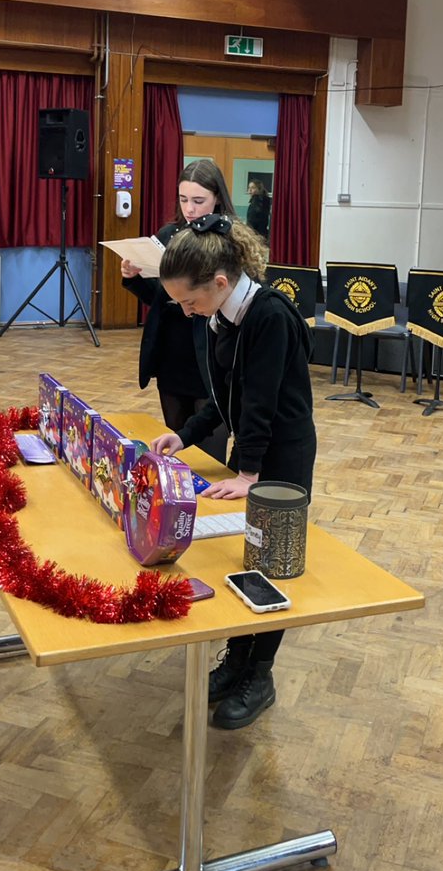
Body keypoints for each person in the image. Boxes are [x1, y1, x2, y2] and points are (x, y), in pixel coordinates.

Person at [150, 214, 316, 730]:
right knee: (246, 552)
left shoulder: (268, 316)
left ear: (220, 282)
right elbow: (227, 398)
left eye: (190, 300)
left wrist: (249, 474)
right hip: (255, 447)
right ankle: (238, 657)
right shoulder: (223, 314)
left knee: (272, 560)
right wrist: (187, 433)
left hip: (282, 454)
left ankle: (259, 673)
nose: (186, 310)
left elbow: (261, 403)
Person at [120, 160, 235, 454]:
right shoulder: (168, 235)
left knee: (210, 453)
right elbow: (158, 298)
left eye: (199, 201)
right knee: (174, 447)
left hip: (211, 352)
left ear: (217, 198)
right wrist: (133, 278)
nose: (190, 209)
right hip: (172, 353)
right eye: (184, 200)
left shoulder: (231, 238)